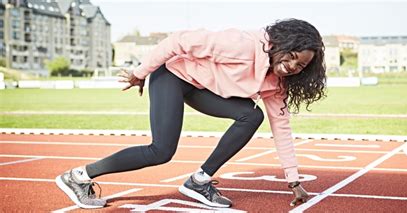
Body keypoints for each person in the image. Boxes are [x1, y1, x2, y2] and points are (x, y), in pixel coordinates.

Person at [55, 18, 326, 209]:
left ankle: (199, 181)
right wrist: (140, 74)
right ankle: (78, 176)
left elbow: (281, 127)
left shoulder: (277, 84)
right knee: (160, 151)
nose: (292, 66)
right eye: (291, 56)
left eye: (300, 66)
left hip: (199, 87)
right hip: (172, 75)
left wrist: (293, 181)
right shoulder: (241, 44)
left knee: (251, 115)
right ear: (281, 43)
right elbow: (179, 41)